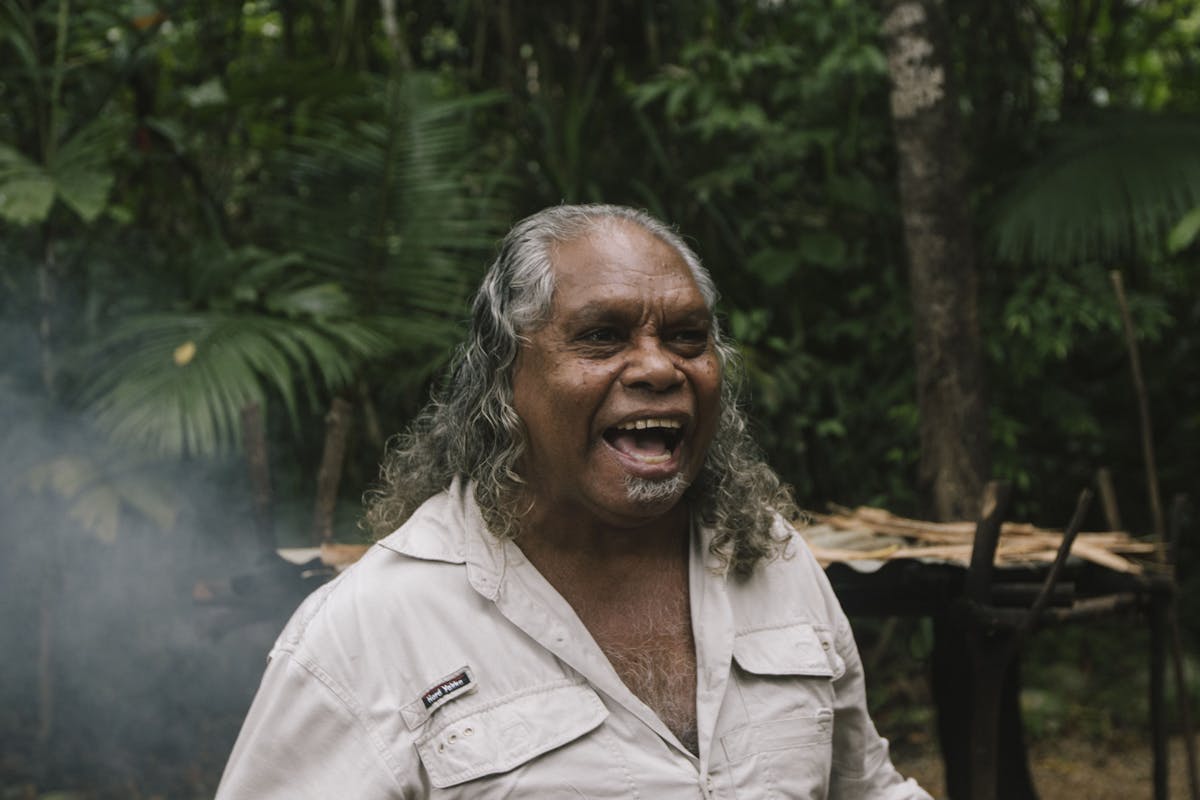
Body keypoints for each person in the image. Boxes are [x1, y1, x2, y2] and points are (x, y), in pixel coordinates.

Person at [216, 204, 931, 799]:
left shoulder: (770, 561)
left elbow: (862, 789)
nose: (659, 366)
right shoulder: (372, 629)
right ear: (506, 380)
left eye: (688, 337)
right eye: (602, 336)